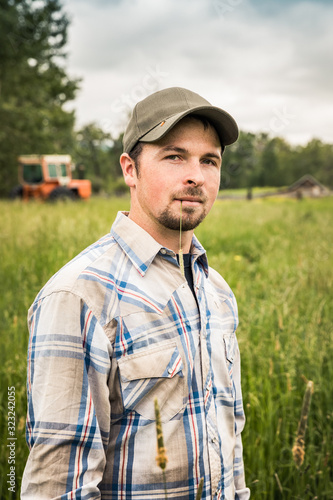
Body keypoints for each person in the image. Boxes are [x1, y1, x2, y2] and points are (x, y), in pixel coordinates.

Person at [21, 87, 250, 499]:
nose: (196, 175)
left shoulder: (216, 290)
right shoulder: (79, 296)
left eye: (209, 160)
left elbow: (230, 438)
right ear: (130, 169)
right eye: (174, 156)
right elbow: (59, 488)